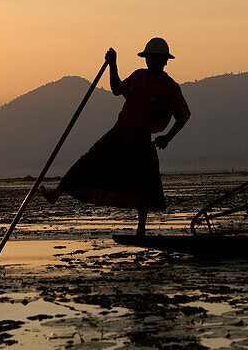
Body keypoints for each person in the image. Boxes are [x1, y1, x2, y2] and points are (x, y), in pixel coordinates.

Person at [41, 37, 190, 235]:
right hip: (120, 131)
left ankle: (141, 230)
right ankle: (57, 193)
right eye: (148, 58)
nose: (151, 62)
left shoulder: (169, 87)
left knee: (144, 181)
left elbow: (183, 116)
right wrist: (113, 64)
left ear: (164, 61)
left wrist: (168, 137)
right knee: (89, 160)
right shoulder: (138, 77)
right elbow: (116, 89)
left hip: (142, 138)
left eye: (155, 58)